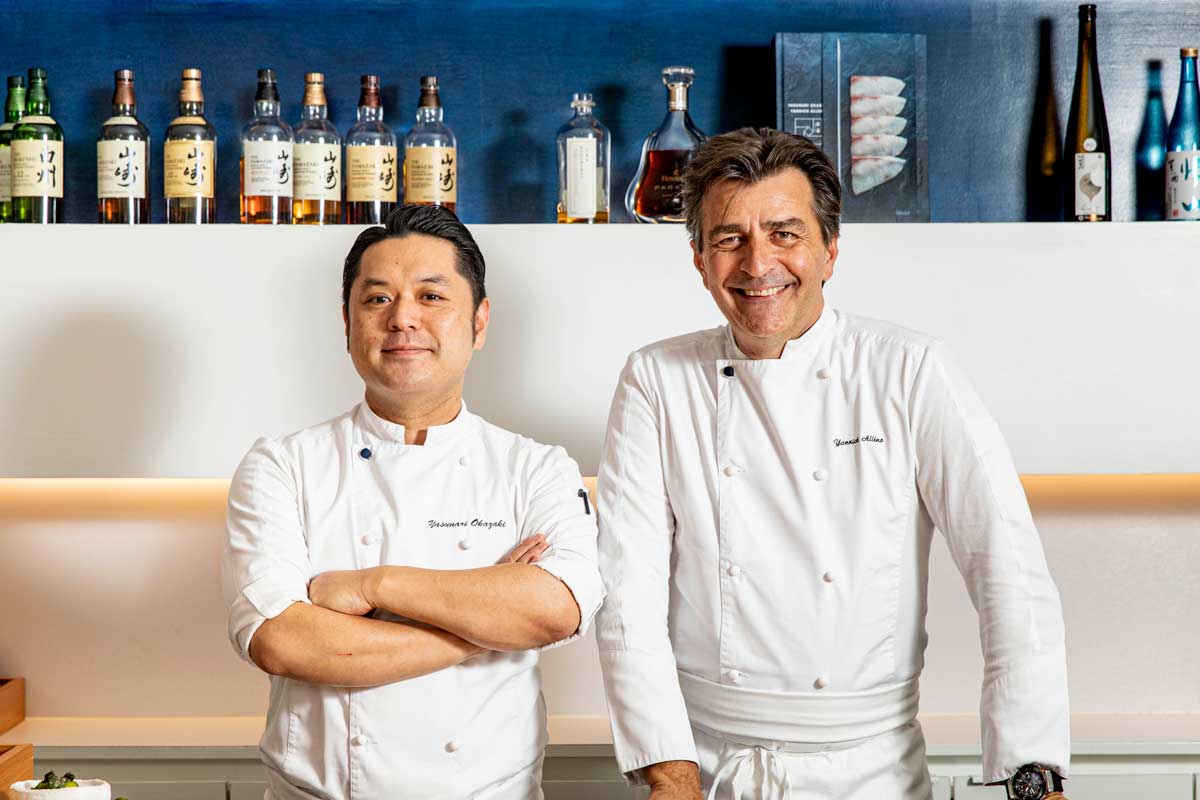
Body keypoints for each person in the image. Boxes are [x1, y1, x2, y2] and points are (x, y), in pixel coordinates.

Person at [595, 128, 1070, 800]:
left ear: (830, 250)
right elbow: (627, 593)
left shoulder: (909, 370)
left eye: (785, 233)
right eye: (729, 238)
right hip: (709, 764)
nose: (758, 263)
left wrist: (1034, 770)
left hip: (871, 771)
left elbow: (1006, 567)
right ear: (699, 260)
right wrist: (670, 776)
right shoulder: (655, 378)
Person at [221, 204, 603, 800]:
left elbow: (557, 607)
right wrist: (482, 630)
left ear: (479, 322)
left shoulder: (537, 468)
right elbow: (281, 640)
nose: (402, 319)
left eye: (431, 296)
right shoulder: (281, 465)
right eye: (377, 299)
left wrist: (375, 585)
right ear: (346, 325)